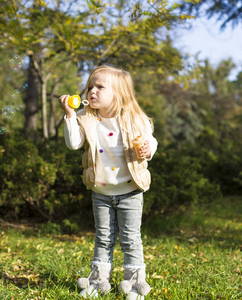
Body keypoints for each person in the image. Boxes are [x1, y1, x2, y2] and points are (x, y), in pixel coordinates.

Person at [58, 65, 158, 299]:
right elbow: (73, 144)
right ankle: (98, 282)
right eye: (89, 87)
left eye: (99, 87)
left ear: (119, 93)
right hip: (100, 192)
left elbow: (150, 142)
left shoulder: (134, 117)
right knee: (103, 238)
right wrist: (70, 116)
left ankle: (134, 286)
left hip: (130, 191)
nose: (91, 91)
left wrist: (147, 149)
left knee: (131, 239)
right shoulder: (85, 118)